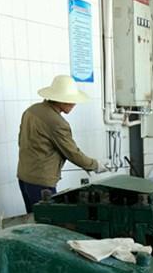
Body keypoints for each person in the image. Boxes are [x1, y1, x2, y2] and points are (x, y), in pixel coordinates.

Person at [17, 75, 107, 213]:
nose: (74, 104)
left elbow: (20, 140)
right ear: (59, 99)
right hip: (41, 183)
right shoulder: (57, 122)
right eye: (70, 100)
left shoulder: (31, 111)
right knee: (47, 224)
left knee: (33, 222)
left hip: (24, 177)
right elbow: (72, 153)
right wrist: (95, 165)